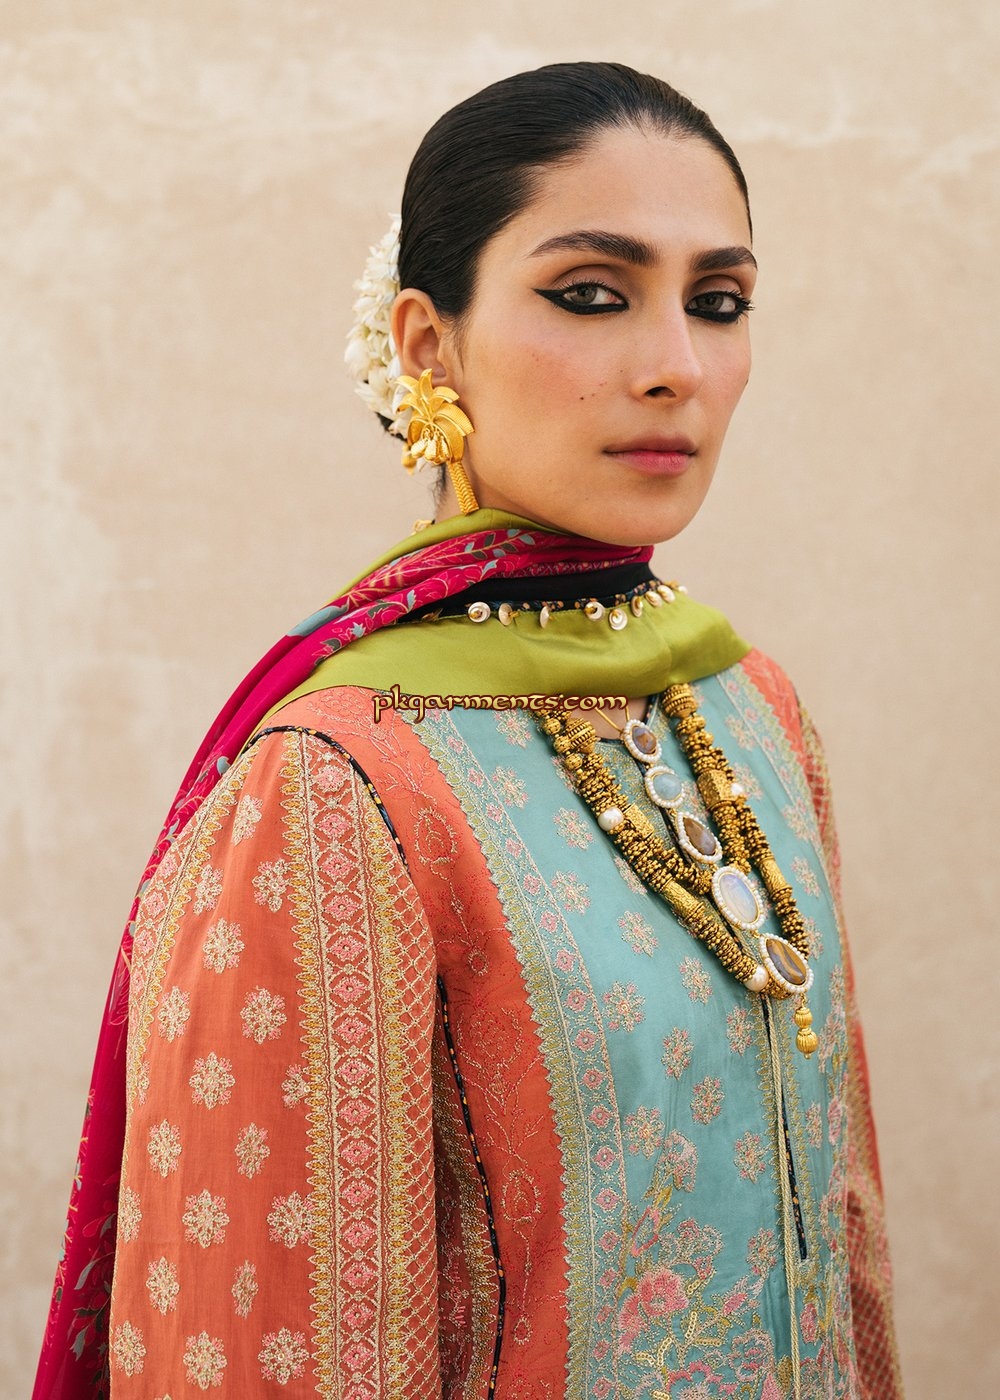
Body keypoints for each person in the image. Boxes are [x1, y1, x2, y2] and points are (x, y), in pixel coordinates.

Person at [34, 62, 903, 1399]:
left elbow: (837, 1249)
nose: (676, 366)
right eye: (591, 295)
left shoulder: (751, 711)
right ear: (428, 345)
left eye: (718, 303)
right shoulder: (338, 786)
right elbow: (276, 1343)